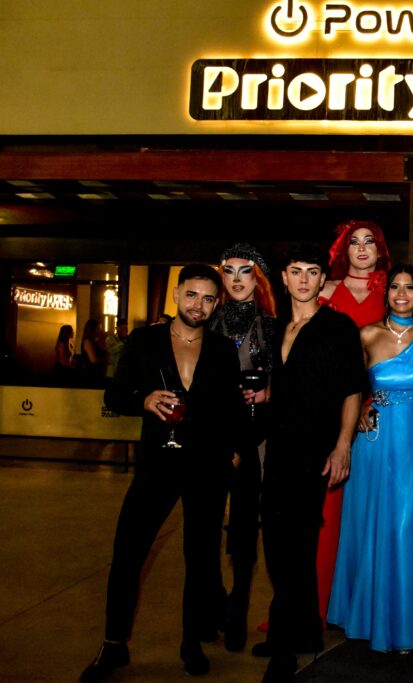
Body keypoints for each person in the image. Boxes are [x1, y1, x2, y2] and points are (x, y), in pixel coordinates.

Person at [80, 264, 242, 682]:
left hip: (207, 468)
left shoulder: (223, 349)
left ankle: (191, 642)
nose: (198, 305)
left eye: (208, 298)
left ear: (216, 304)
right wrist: (144, 399)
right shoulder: (145, 340)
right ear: (176, 294)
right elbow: (115, 395)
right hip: (157, 465)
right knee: (127, 554)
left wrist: (234, 452)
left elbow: (230, 410)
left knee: (201, 560)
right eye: (192, 295)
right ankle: (113, 645)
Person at [257, 246, 364, 683]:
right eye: (296, 271)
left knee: (295, 545)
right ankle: (304, 631)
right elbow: (280, 383)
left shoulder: (339, 327)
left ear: (323, 280)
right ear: (284, 278)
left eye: (312, 272)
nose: (303, 279)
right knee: (276, 542)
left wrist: (343, 446)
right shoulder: (274, 327)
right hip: (276, 447)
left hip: (315, 451)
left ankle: (284, 648)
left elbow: (352, 389)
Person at [326, 264, 413, 651]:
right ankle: (367, 617)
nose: (401, 294)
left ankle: (408, 622)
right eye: (395, 287)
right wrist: (360, 407)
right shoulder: (367, 334)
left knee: (408, 524)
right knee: (372, 522)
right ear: (386, 292)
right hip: (374, 441)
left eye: (409, 287)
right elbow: (349, 386)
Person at [315, 220, 392, 624]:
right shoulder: (324, 290)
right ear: (344, 251)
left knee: (368, 512)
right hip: (329, 408)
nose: (362, 249)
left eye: (370, 242)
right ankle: (318, 601)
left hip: (377, 414)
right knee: (326, 512)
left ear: (380, 250)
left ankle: (360, 604)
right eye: (354, 243)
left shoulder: (393, 291)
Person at [209, 242, 277, 652]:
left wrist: (269, 391)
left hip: (257, 435)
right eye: (228, 271)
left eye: (245, 271)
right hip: (212, 432)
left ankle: (238, 605)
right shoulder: (207, 319)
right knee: (205, 521)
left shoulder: (272, 324)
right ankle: (215, 602)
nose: (236, 279)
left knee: (245, 523)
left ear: (259, 278)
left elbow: (290, 375)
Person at [78, 319, 108, 383]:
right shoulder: (88, 341)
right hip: (92, 374)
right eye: (98, 328)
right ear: (92, 329)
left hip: (97, 373)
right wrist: (104, 359)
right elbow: (93, 359)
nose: (100, 330)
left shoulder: (94, 341)